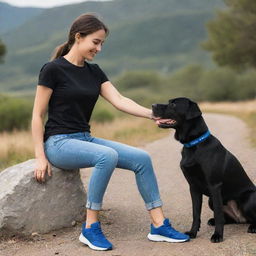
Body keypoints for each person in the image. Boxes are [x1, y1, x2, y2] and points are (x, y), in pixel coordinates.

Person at [31, 13, 189, 251]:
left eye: (102, 43)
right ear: (78, 37)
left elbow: (119, 99)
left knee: (141, 158)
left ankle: (158, 225)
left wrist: (152, 115)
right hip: (59, 143)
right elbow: (37, 115)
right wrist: (40, 156)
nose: (99, 48)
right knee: (107, 155)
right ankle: (90, 227)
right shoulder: (53, 69)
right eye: (96, 42)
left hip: (84, 138)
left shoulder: (94, 72)